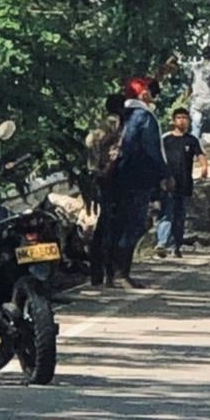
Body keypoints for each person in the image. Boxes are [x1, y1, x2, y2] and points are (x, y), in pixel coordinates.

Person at [107, 78, 171, 289]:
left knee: (115, 223)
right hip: (138, 177)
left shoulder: (122, 115)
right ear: (143, 94)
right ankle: (122, 273)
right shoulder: (144, 117)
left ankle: (109, 273)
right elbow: (153, 149)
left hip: (116, 176)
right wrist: (165, 174)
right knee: (134, 223)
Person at [85, 93, 127, 286]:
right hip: (111, 176)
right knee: (111, 225)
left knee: (103, 225)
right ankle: (110, 272)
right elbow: (114, 148)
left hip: (99, 176)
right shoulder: (115, 123)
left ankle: (97, 273)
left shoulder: (104, 123)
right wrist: (108, 166)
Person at [155, 107, 207, 258]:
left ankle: (175, 246)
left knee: (180, 215)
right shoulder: (166, 139)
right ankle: (162, 243)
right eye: (179, 117)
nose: (182, 120)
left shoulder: (191, 140)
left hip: (185, 182)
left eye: (185, 117)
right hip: (168, 182)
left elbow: (200, 154)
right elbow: (159, 158)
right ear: (173, 120)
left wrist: (204, 167)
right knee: (166, 213)